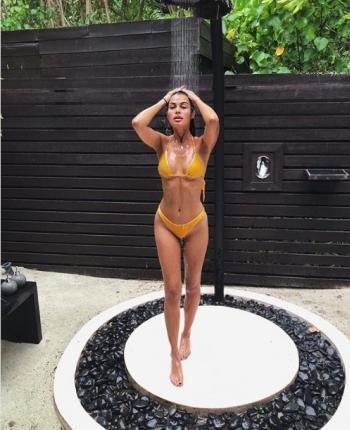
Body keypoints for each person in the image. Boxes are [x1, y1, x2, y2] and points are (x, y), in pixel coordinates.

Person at [131, 85, 219, 387]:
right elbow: (137, 123)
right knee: (171, 289)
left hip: (196, 223)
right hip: (166, 222)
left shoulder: (203, 145)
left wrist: (193, 97)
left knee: (193, 286)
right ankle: (173, 355)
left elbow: (213, 120)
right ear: (167, 114)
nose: (177, 110)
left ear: (192, 113)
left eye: (183, 107)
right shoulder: (161, 143)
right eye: (173, 107)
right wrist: (164, 99)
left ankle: (187, 334)